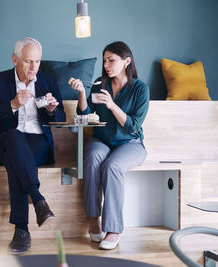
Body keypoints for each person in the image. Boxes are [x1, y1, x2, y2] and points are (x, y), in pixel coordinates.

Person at [0, 37, 66, 254]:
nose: (33, 67)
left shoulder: (47, 80)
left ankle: (22, 231)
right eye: (28, 62)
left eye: (37, 61)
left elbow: (61, 117)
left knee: (15, 160)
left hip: (38, 143)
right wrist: (12, 105)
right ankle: (38, 200)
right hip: (4, 141)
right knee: (13, 137)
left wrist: (53, 110)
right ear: (14, 59)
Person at [68, 41, 149, 250]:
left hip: (130, 143)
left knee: (112, 166)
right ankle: (94, 218)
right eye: (104, 60)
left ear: (127, 61)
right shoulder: (99, 83)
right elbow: (83, 115)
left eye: (111, 60)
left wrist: (112, 105)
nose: (106, 65)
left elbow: (132, 126)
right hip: (102, 140)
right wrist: (81, 94)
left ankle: (113, 229)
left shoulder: (140, 89)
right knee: (93, 157)